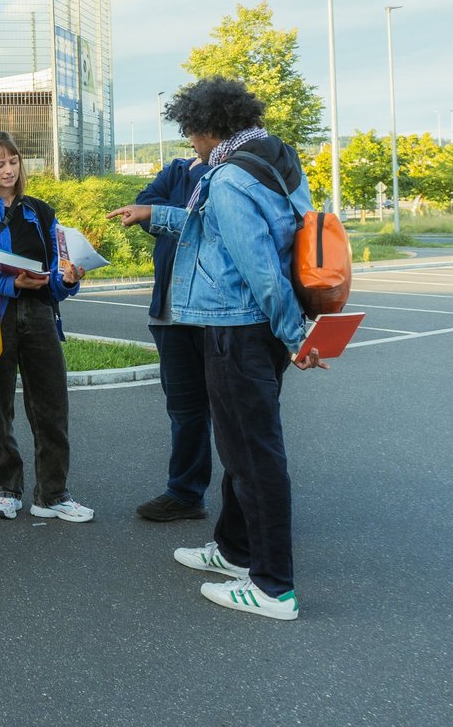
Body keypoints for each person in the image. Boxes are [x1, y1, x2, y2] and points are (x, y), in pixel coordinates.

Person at [108, 77, 326, 620]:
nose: (192, 146)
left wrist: (297, 334)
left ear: (209, 127)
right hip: (257, 332)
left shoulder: (228, 178)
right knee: (241, 449)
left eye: (191, 134)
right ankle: (234, 551)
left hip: (238, 329)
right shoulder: (274, 162)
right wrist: (155, 215)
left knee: (255, 458)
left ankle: (274, 588)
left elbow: (260, 268)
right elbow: (217, 231)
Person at [0, 131, 93, 522]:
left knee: (52, 408)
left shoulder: (41, 211)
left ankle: (53, 494)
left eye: (13, 161)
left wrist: (67, 280)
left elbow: (56, 271)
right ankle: (7, 489)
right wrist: (11, 282)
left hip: (39, 316)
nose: (8, 169)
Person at [134, 152, 212, 521]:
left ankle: (250, 505)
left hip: (210, 311)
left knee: (230, 413)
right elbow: (143, 205)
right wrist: (171, 214)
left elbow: (210, 225)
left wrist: (163, 214)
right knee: (184, 411)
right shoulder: (178, 169)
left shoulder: (234, 171)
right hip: (168, 311)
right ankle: (184, 493)